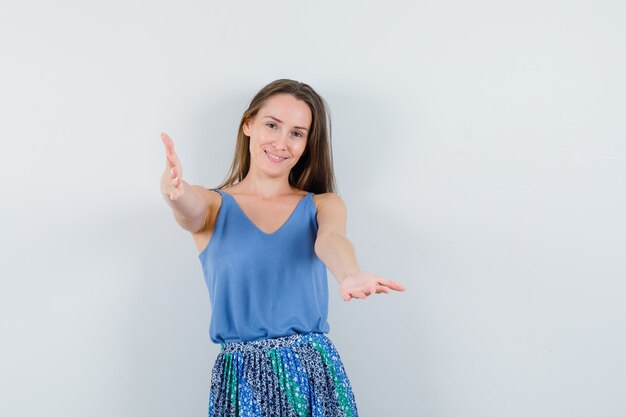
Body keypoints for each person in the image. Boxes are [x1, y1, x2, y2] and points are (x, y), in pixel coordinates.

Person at [160, 79, 405, 416]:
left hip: (312, 376)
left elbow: (331, 240)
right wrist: (173, 191)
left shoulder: (322, 204)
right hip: (242, 380)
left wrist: (350, 275)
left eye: (297, 133)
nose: (281, 142)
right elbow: (189, 210)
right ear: (248, 124)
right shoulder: (213, 206)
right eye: (272, 125)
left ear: (307, 144)